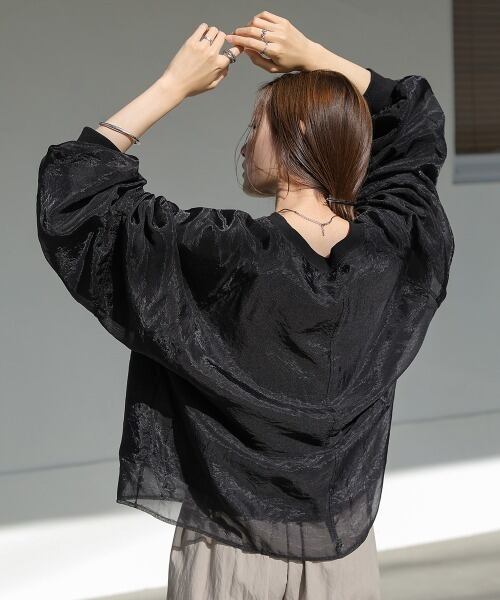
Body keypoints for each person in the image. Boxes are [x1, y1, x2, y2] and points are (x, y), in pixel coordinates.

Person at [36, 11, 454, 600]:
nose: (244, 143)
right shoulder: (393, 249)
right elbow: (413, 119)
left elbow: (78, 198)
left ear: (296, 135)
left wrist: (173, 85)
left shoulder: (227, 257)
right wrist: (312, 53)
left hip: (229, 549)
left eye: (256, 125)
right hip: (345, 555)